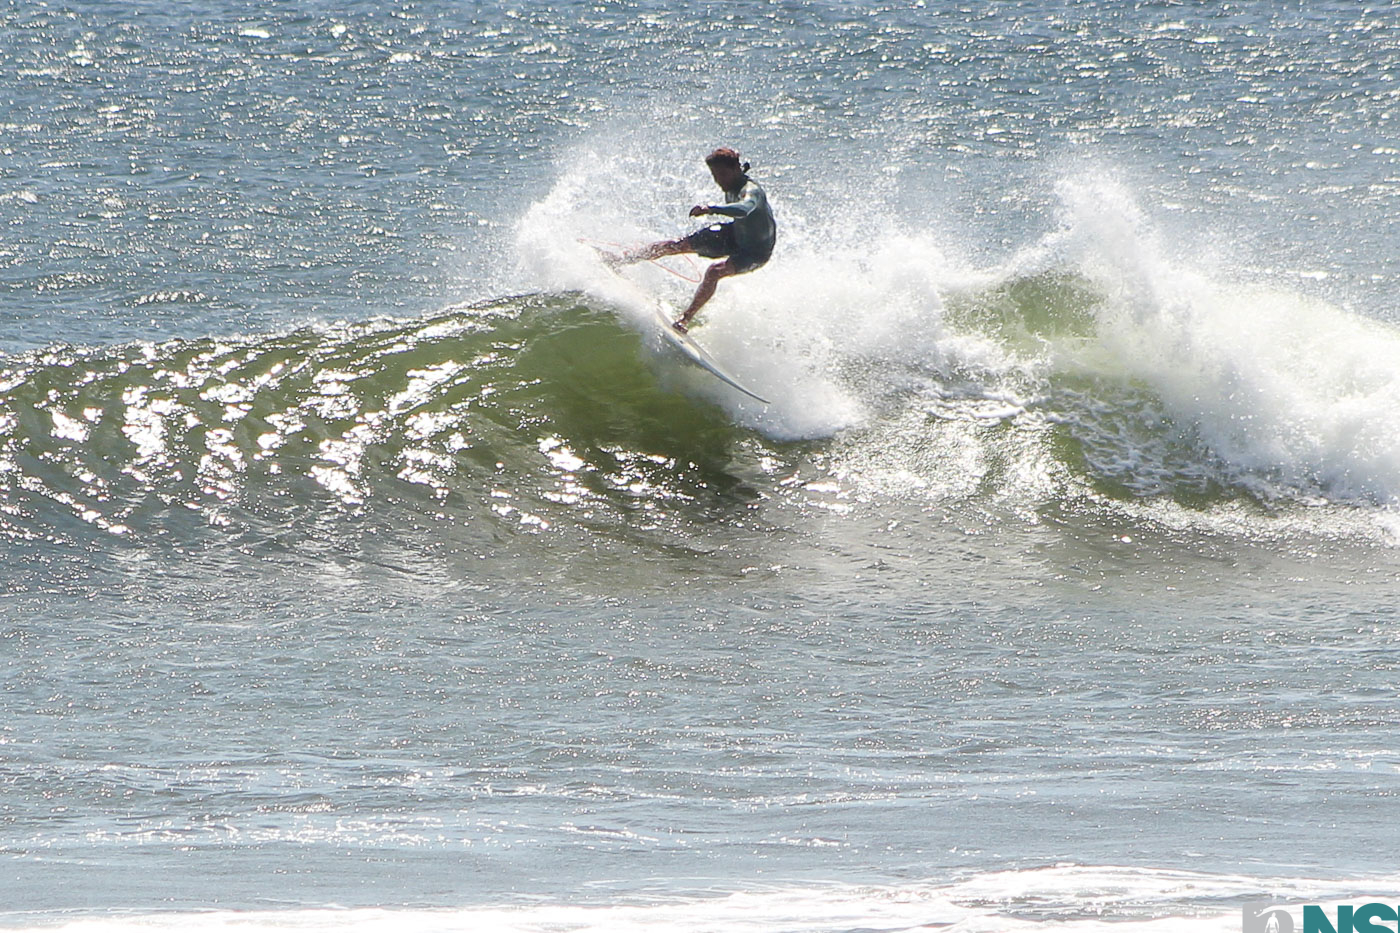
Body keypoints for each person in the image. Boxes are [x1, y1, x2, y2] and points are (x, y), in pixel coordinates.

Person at [605, 147, 776, 332]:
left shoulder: (751, 191)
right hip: (735, 234)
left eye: (722, 174)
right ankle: (623, 260)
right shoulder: (731, 184)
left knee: (714, 271)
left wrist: (711, 208)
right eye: (715, 175)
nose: (718, 180)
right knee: (677, 245)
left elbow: (744, 209)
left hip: (755, 252)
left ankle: (685, 319)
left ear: (735, 169)